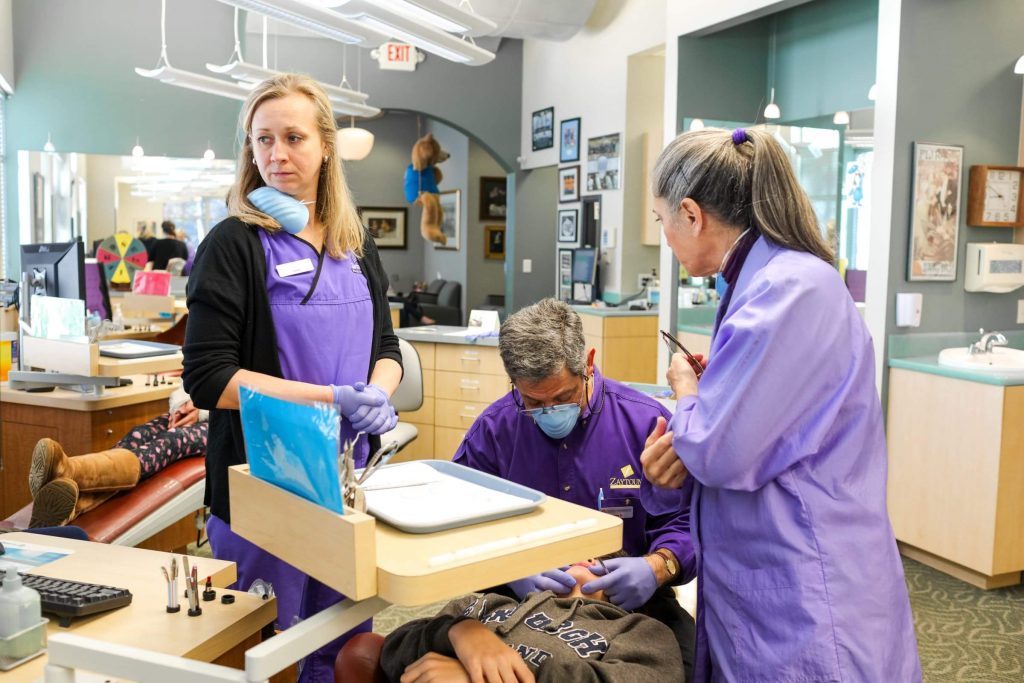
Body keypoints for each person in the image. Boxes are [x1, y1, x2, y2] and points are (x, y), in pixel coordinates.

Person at [640, 127, 921, 682]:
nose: (665, 236)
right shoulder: (768, 282)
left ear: (691, 215)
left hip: (806, 572)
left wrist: (689, 394)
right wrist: (713, 398)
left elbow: (719, 451)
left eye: (662, 220)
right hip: (769, 559)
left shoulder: (787, 290)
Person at [182, 73, 402, 682]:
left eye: (294, 138)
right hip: (262, 482)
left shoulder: (356, 243)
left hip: (345, 481)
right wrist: (332, 398)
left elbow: (386, 345)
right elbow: (208, 377)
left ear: (326, 146)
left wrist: (377, 393)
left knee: (346, 645)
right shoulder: (234, 244)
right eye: (263, 140)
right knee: (270, 649)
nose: (277, 155)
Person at [453, 298, 695, 681]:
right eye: (533, 402)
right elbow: (458, 528)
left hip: (630, 607)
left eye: (563, 397)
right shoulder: (494, 431)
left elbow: (690, 523)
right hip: (517, 602)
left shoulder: (648, 425)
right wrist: (513, 568)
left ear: (589, 364)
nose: (550, 411)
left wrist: (657, 566)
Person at [380, 558, 683, 682]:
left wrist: (478, 676)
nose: (584, 558)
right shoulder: (488, 604)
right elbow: (393, 650)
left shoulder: (639, 630)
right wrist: (462, 632)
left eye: (599, 559)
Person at [26, 386, 208, 528]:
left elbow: (235, 393)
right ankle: (76, 504)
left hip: (225, 423)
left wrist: (203, 409)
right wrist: (183, 404)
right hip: (196, 408)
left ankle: (68, 471)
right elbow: (189, 380)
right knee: (139, 434)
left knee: (171, 441)